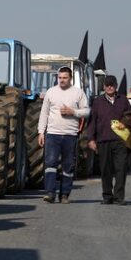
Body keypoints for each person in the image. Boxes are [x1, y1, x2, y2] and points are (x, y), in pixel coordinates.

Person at [38, 66, 90, 204]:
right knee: (50, 163)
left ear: (70, 78)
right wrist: (41, 132)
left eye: (65, 78)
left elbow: (86, 111)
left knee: (68, 165)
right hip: (52, 134)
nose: (62, 80)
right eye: (60, 77)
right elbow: (44, 113)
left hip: (70, 135)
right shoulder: (51, 92)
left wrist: (73, 112)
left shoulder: (78, 93)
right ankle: (50, 193)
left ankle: (65, 194)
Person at [86, 75, 131, 205]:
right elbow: (92, 122)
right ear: (103, 87)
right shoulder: (97, 102)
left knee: (121, 169)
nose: (109, 87)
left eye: (112, 85)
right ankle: (107, 196)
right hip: (103, 140)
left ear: (116, 86)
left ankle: (119, 197)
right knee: (105, 169)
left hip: (121, 141)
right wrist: (90, 139)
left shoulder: (123, 100)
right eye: (107, 85)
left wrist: (126, 123)